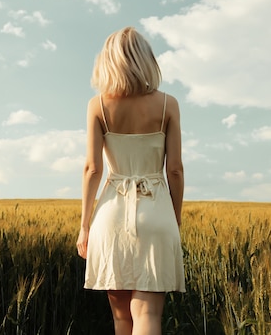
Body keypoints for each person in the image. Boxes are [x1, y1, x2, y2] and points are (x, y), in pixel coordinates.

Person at [76, 26, 185, 335]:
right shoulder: (168, 105)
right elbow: (175, 169)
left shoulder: (97, 105)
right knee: (148, 313)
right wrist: (174, 218)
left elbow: (92, 169)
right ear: (146, 60)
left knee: (122, 317)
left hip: (111, 215)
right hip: (156, 212)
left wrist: (85, 225)